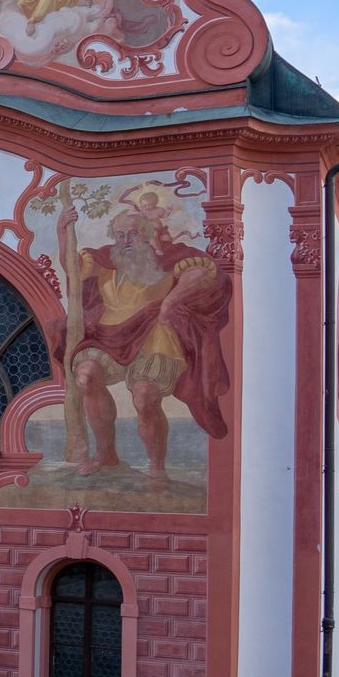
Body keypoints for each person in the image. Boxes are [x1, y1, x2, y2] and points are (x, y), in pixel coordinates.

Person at [52, 199, 231, 481]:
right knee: (86, 376)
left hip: (155, 336)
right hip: (109, 335)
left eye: (133, 234)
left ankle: (157, 467)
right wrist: (63, 233)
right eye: (120, 235)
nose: (125, 241)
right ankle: (106, 453)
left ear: (147, 235)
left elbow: (203, 272)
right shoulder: (106, 262)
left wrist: (171, 300)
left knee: (145, 396)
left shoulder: (169, 258)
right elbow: (73, 268)